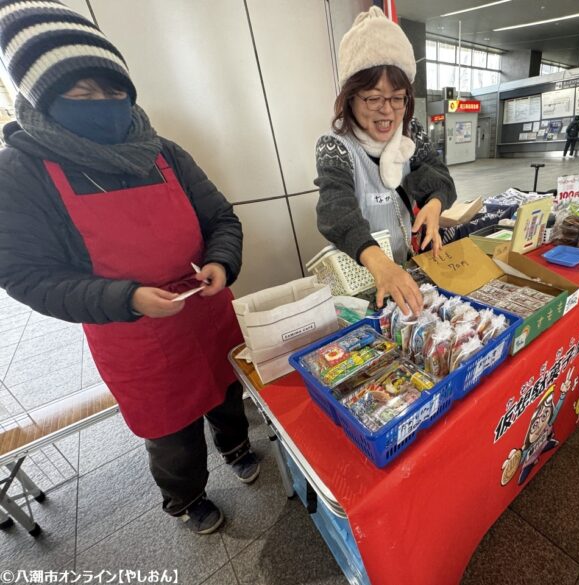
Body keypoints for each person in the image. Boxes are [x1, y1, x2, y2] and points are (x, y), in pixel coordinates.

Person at [0, 1, 258, 535]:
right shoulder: (23, 170)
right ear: (43, 97)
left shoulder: (163, 151)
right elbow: (24, 274)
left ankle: (236, 445)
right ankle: (185, 499)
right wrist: (126, 298)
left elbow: (220, 217)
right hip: (133, 333)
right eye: (81, 92)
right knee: (171, 430)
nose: (104, 103)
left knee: (228, 389)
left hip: (206, 312)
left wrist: (220, 260)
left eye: (113, 89)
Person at [315, 7, 457, 316]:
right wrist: (380, 263)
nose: (387, 111)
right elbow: (335, 210)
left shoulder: (411, 133)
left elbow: (440, 176)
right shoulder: (335, 146)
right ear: (350, 96)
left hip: (404, 269)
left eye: (397, 98)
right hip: (363, 276)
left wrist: (434, 204)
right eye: (373, 97)